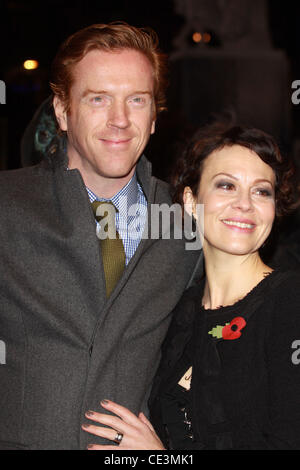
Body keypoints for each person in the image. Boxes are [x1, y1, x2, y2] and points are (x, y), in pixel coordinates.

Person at [0, 23, 202, 450]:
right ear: (61, 110)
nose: (120, 120)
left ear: (153, 117)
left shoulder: (189, 222)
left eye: (137, 100)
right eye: (98, 99)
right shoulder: (6, 205)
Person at [82, 123, 300, 450]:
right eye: (226, 186)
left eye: (261, 191)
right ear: (190, 200)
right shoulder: (181, 311)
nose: (245, 204)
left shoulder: (289, 303)